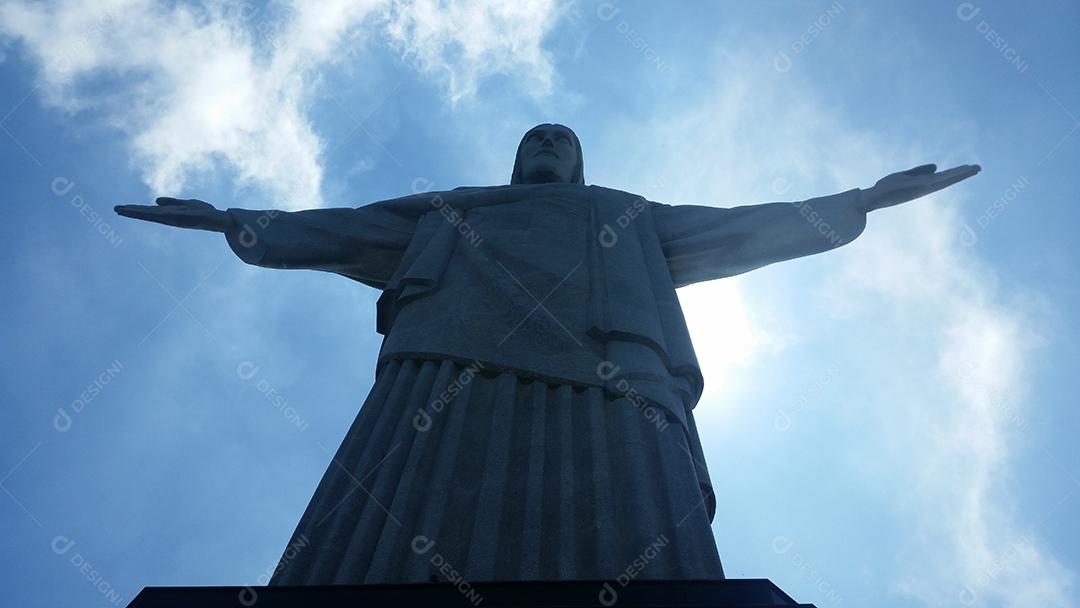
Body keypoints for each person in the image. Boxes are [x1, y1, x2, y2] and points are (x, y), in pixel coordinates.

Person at [115, 123, 980, 585]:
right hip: (444, 368)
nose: (546, 144)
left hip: (612, 376)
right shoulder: (452, 208)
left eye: (560, 138)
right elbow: (343, 230)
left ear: (579, 160)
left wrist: (859, 201)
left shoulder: (627, 214)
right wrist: (239, 220)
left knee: (640, 528)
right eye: (534, 137)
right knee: (388, 532)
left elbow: (738, 230)